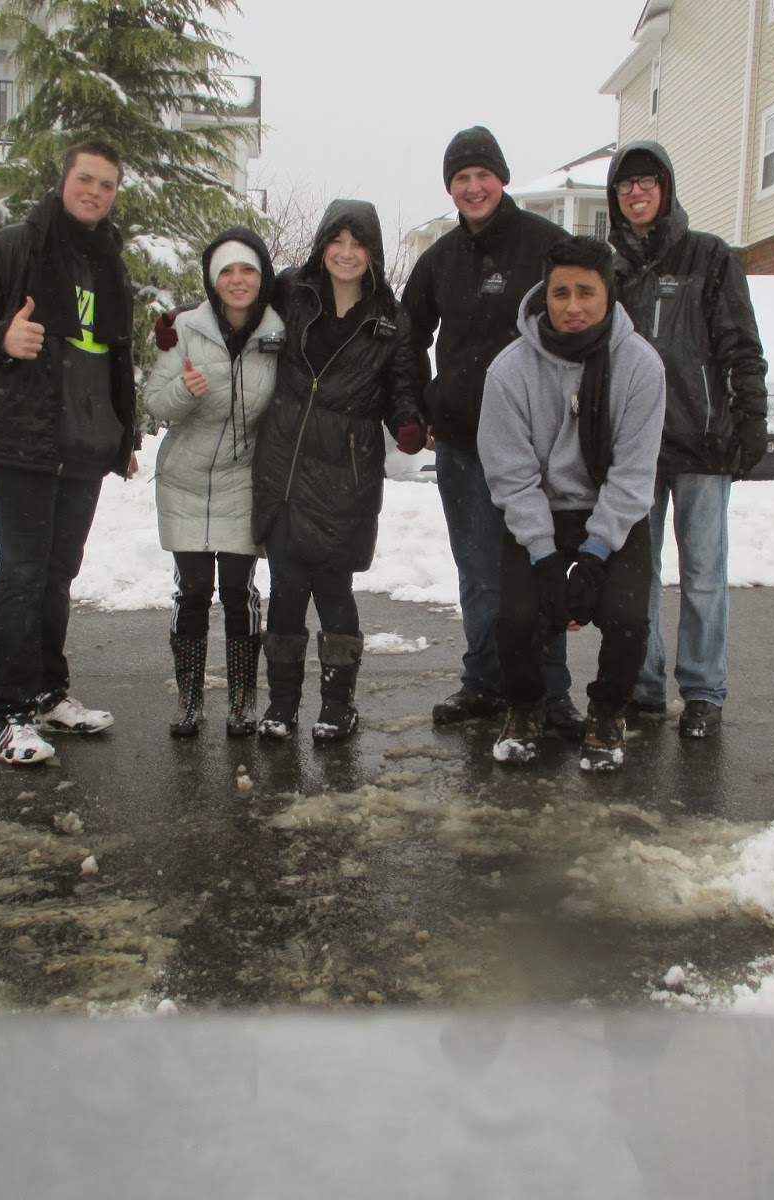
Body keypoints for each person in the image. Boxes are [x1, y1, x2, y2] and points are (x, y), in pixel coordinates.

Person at [0, 140, 139, 765]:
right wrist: (2, 336)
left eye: (106, 185)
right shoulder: (15, 247)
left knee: (57, 576)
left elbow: (114, 359)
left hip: (83, 444)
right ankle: (10, 713)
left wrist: (122, 435)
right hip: (23, 441)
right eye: (86, 179)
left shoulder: (109, 263)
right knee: (21, 576)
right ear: (63, 180)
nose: (95, 192)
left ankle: (49, 695)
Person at [400, 127, 581, 737]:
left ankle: (551, 692)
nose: (473, 187)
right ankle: (483, 683)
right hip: (462, 443)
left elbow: (579, 322)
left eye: (482, 175)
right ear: (450, 188)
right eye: (461, 178)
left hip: (536, 444)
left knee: (539, 563)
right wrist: (418, 405)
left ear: (502, 178)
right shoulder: (440, 258)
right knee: (478, 571)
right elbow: (407, 335)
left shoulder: (545, 245)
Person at [479, 236, 666, 771]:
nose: (573, 306)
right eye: (560, 293)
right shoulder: (509, 371)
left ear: (609, 294)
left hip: (613, 513)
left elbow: (634, 474)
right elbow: (511, 477)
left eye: (587, 292)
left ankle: (608, 714)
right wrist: (544, 558)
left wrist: (595, 555)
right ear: (545, 295)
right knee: (516, 619)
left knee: (628, 618)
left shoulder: (641, 366)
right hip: (540, 511)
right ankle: (525, 708)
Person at [605, 141, 768, 739]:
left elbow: (741, 345)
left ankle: (703, 691)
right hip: (635, 448)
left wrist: (751, 417)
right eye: (626, 185)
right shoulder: (610, 270)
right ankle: (643, 686)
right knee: (637, 577)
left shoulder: (710, 257)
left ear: (666, 188)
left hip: (703, 441)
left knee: (702, 574)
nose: (636, 193)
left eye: (646, 182)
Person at [250, 199, 422, 743]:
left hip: (346, 474)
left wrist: (409, 422)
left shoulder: (389, 319)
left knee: (332, 589)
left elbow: (403, 388)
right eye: (337, 240)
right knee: (285, 587)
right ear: (323, 244)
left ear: (373, 253)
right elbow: (234, 304)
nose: (346, 253)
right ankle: (281, 704)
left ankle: (337, 706)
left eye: (358, 243)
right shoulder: (290, 291)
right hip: (284, 465)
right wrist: (180, 325)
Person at [143, 228, 283, 738]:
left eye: (248, 270)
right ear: (211, 279)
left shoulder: (279, 334)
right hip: (184, 479)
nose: (237, 280)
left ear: (262, 277)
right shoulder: (184, 328)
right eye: (227, 271)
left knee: (238, 590)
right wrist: (184, 390)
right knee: (194, 590)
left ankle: (243, 701)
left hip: (244, 478)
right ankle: (189, 700)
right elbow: (154, 402)